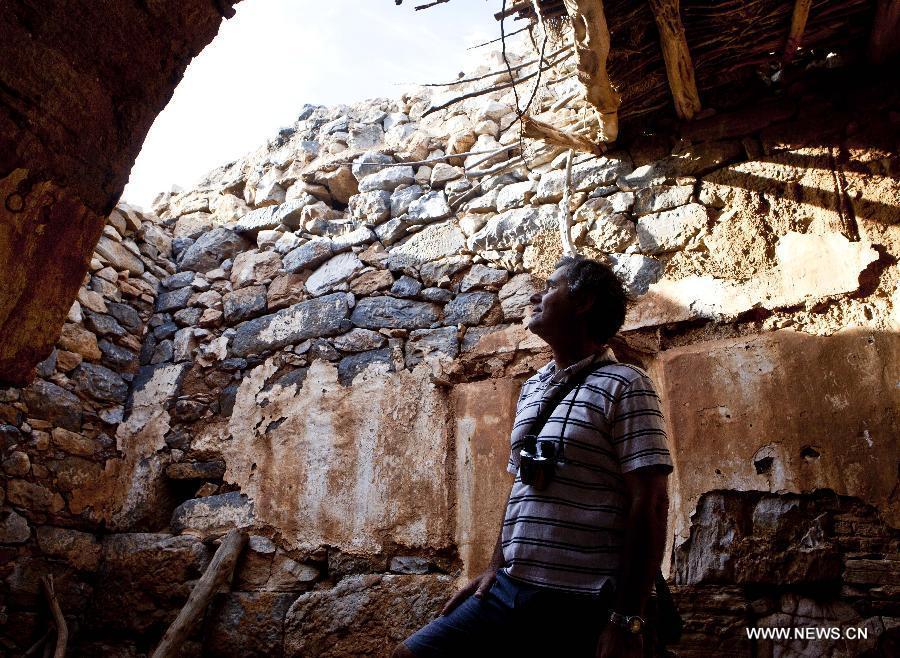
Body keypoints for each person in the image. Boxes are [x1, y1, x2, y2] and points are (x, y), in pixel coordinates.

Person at [394, 255, 673, 658]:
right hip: (510, 587)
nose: (537, 296)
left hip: (584, 599)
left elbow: (651, 501)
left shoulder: (627, 385)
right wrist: (493, 565)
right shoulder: (534, 387)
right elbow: (520, 487)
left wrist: (626, 618)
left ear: (583, 303)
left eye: (551, 286)